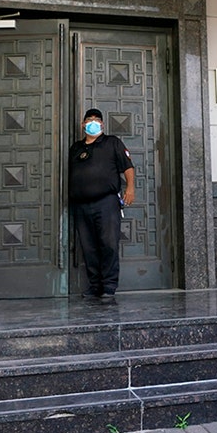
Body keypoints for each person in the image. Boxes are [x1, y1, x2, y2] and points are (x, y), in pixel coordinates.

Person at [69, 107, 135, 301]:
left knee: (108, 244)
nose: (92, 122)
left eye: (97, 119)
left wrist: (130, 189)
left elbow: (128, 167)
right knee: (88, 247)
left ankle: (108, 286)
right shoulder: (76, 148)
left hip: (106, 202)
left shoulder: (112, 142)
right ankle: (95, 285)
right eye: (89, 119)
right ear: (83, 125)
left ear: (103, 124)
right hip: (81, 205)